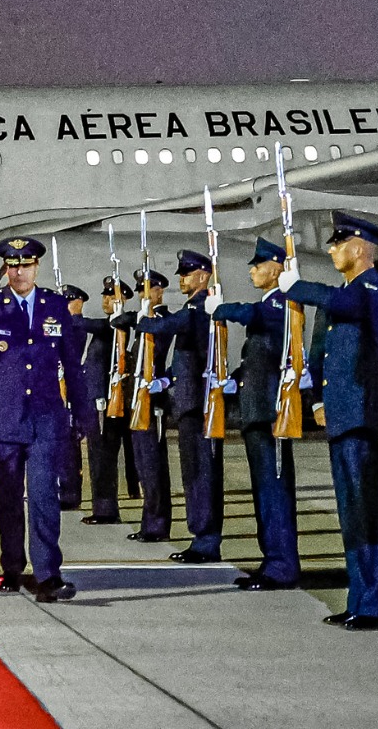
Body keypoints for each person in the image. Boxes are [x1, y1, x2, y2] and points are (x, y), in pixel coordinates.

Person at [281, 211, 378, 631]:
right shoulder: (348, 292)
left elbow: (344, 305)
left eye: (338, 245)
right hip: (346, 417)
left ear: (359, 249)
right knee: (353, 514)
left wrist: (296, 285)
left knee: (374, 515)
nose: (333, 250)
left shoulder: (374, 288)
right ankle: (361, 598)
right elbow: (324, 354)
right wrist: (319, 399)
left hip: (370, 418)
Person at [0, 237, 96, 602]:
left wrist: (83, 413)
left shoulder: (55, 306)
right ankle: (12, 566)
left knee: (45, 494)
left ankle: (48, 575)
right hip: (3, 419)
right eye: (12, 266)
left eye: (26, 265)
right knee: (9, 494)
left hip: (46, 417)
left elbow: (73, 366)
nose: (19, 272)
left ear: (36, 267)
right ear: (5, 269)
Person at [209, 237, 300, 590]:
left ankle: (282, 565)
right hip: (256, 411)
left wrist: (222, 309)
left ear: (276, 267)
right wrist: (234, 382)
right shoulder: (271, 303)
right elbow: (257, 360)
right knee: (265, 491)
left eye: (258, 264)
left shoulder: (282, 304)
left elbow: (253, 314)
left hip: (271, 413)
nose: (252, 270)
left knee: (274, 491)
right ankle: (273, 560)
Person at [137, 250, 226, 565]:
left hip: (201, 404)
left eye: (186, 274)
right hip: (189, 403)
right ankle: (200, 536)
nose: (181, 280)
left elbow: (171, 325)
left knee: (202, 474)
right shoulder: (194, 306)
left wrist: (142, 320)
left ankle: (206, 540)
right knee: (193, 473)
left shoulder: (201, 307)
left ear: (203, 276)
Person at [115, 269, 174, 544]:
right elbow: (119, 320)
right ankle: (148, 522)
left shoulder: (162, 320)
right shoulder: (143, 320)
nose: (142, 295)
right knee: (142, 464)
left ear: (159, 292)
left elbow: (157, 349)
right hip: (138, 399)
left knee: (153, 466)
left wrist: (142, 318)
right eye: (140, 290)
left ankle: (158, 525)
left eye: (147, 290)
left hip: (153, 403)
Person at [77, 279, 134, 526]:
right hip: (96, 399)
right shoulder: (108, 326)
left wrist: (63, 313)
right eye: (105, 297)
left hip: (106, 401)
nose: (105, 301)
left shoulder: (113, 326)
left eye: (111, 298)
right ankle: (102, 506)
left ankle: (106, 510)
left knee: (103, 457)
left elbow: (82, 323)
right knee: (98, 456)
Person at [57, 285, 91, 510]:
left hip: (71, 394)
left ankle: (70, 495)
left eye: (68, 302)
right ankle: (61, 490)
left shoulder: (77, 327)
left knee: (69, 448)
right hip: (60, 391)